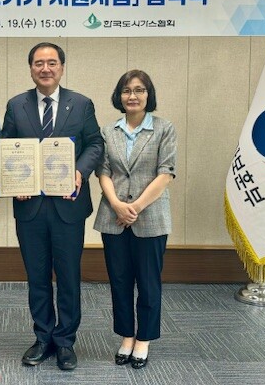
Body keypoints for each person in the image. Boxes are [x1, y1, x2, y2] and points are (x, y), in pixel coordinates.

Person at [1, 42, 104, 371]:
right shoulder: (16, 105)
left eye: (52, 63)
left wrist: (80, 171)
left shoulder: (81, 103)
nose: (45, 68)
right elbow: (5, 149)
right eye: (38, 63)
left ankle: (65, 340)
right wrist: (13, 180)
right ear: (31, 68)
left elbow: (95, 144)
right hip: (30, 207)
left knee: (69, 276)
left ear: (61, 67)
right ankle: (43, 336)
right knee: (37, 276)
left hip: (68, 205)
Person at [93, 69, 177, 369]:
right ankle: (127, 336)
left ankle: (144, 339)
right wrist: (117, 205)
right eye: (127, 90)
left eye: (139, 90)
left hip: (151, 216)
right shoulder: (107, 131)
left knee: (149, 282)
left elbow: (166, 173)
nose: (133, 96)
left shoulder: (164, 129)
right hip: (113, 217)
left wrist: (136, 207)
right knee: (119, 281)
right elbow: (102, 172)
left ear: (148, 95)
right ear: (119, 96)